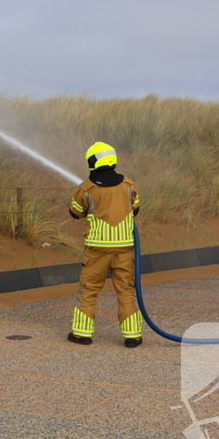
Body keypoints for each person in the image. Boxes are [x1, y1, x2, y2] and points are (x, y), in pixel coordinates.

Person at [68, 141, 143, 348]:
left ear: (92, 161)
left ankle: (82, 333)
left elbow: (75, 213)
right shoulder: (129, 185)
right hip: (124, 250)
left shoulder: (86, 188)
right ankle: (133, 336)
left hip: (96, 251)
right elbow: (135, 209)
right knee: (126, 290)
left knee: (89, 289)